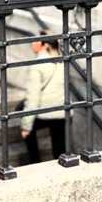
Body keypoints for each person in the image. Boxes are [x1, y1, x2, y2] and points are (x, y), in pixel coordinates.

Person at [20, 33, 66, 164]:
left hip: (44, 112)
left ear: (45, 45)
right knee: (59, 148)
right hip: (62, 111)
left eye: (36, 41)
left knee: (28, 131)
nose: (32, 43)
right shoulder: (63, 61)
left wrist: (26, 126)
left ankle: (35, 162)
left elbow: (33, 98)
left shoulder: (37, 65)